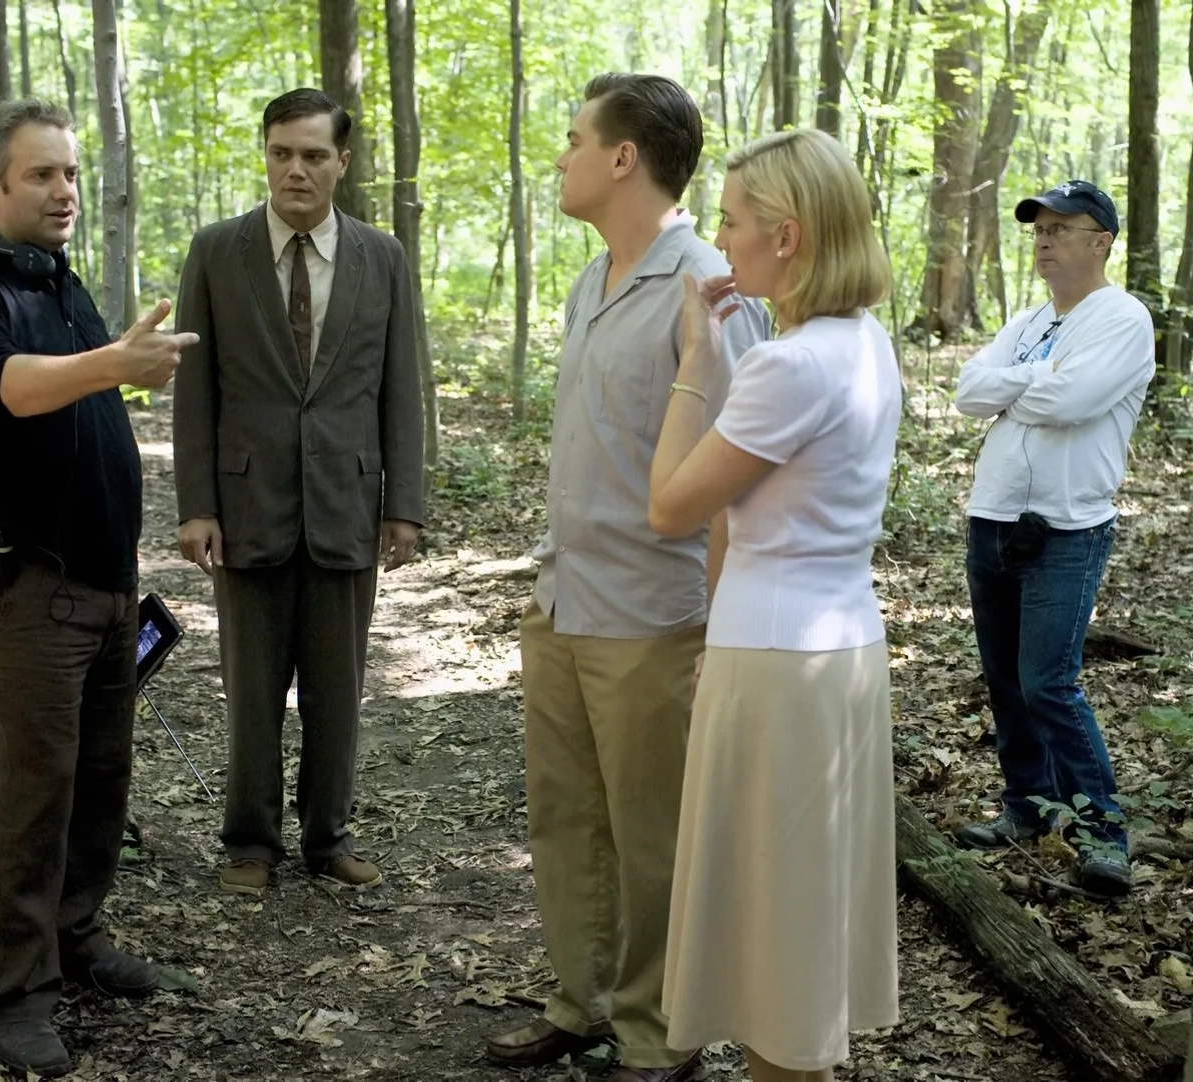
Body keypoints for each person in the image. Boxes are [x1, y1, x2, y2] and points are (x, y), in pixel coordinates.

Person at [484, 74, 767, 1082]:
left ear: (622, 159)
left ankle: (659, 1029)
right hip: (563, 598)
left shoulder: (711, 290)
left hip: (653, 614)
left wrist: (722, 627)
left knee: (654, 836)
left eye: (572, 140)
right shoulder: (590, 278)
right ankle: (582, 998)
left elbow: (738, 474)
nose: (558, 158)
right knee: (565, 818)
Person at [0, 99, 193, 1077]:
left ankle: (77, 937)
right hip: (26, 580)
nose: (65, 190)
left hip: (108, 584)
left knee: (100, 779)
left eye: (70, 173)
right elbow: (9, 386)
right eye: (43, 175)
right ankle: (18, 989)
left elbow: (76, 389)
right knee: (32, 793)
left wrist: (119, 366)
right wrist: (111, 362)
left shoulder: (60, 282)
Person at [647, 127, 901, 1082]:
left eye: (733, 222)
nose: (721, 242)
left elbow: (672, 505)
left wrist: (695, 362)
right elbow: (747, 521)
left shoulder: (788, 366)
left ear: (786, 237)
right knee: (796, 922)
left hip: (783, 664)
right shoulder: (861, 343)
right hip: (832, 646)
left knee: (776, 936)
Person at [172, 88, 425, 896]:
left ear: (341, 163)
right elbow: (196, 390)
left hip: (348, 503)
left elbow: (400, 389)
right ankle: (250, 844)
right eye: (282, 153)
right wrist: (195, 505)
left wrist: (404, 504)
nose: (296, 170)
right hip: (247, 508)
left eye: (314, 155)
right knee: (251, 689)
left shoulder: (381, 257)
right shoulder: (217, 251)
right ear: (266, 154)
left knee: (337, 690)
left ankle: (329, 836)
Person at [950, 179, 1155, 897]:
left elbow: (1074, 403)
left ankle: (1103, 833)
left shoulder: (1122, 318)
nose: (1044, 238)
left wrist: (1017, 384)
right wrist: (1034, 376)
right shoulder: (1032, 319)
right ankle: (1028, 811)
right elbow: (967, 390)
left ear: (1100, 240)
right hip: (993, 517)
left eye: (1063, 228)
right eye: (1039, 227)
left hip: (1067, 527)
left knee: (1048, 682)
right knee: (1005, 678)